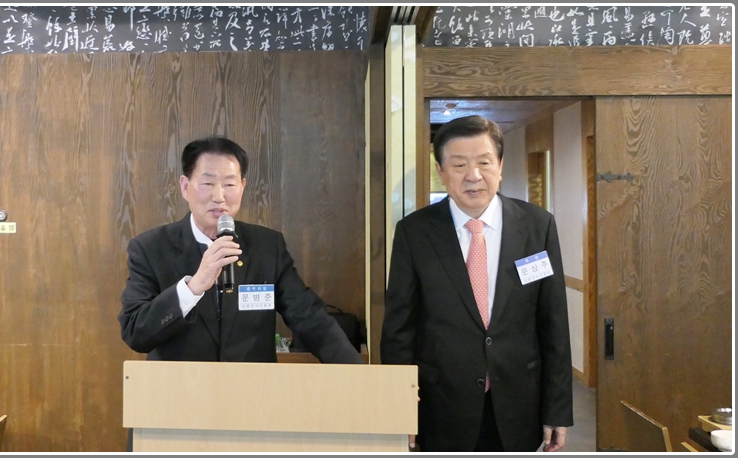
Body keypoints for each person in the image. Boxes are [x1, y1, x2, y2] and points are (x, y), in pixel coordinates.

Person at [381, 115, 573, 452]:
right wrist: (400, 410)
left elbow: (553, 323)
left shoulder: (536, 226)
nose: (473, 175)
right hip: (441, 405)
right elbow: (399, 330)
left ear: (500, 166)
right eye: (459, 165)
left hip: (519, 404)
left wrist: (557, 409)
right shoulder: (415, 232)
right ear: (440, 171)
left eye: (484, 162)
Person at [119, 137, 363, 365]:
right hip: (181, 390)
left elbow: (310, 318)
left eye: (229, 184)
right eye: (208, 183)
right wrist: (193, 287)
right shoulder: (151, 249)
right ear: (185, 187)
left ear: (243, 187)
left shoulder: (266, 246)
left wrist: (359, 374)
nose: (219, 196)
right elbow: (136, 333)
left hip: (252, 390)